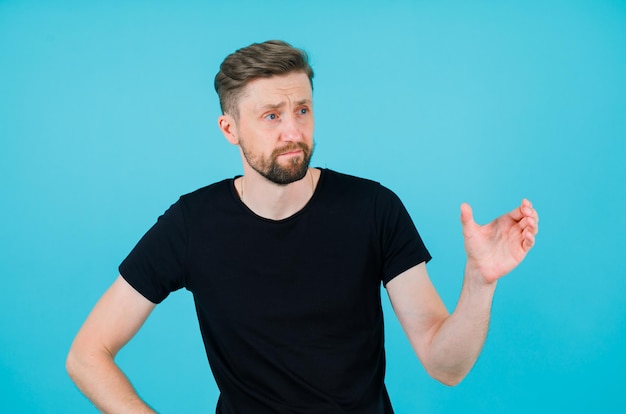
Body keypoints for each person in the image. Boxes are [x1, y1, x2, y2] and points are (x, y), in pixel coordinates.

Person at [66, 40, 539, 413]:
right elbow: (87, 354)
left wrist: (479, 282)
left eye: (302, 110)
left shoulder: (373, 208)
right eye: (271, 116)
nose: (292, 131)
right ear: (229, 129)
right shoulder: (192, 224)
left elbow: (445, 365)